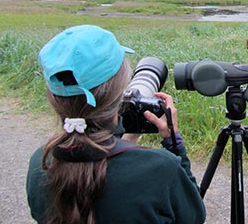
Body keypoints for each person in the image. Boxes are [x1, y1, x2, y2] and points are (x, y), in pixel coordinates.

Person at [26, 24, 206, 224]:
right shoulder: (160, 169)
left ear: (54, 97)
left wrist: (128, 141)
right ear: (119, 90)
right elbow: (194, 217)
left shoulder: (41, 163)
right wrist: (174, 144)